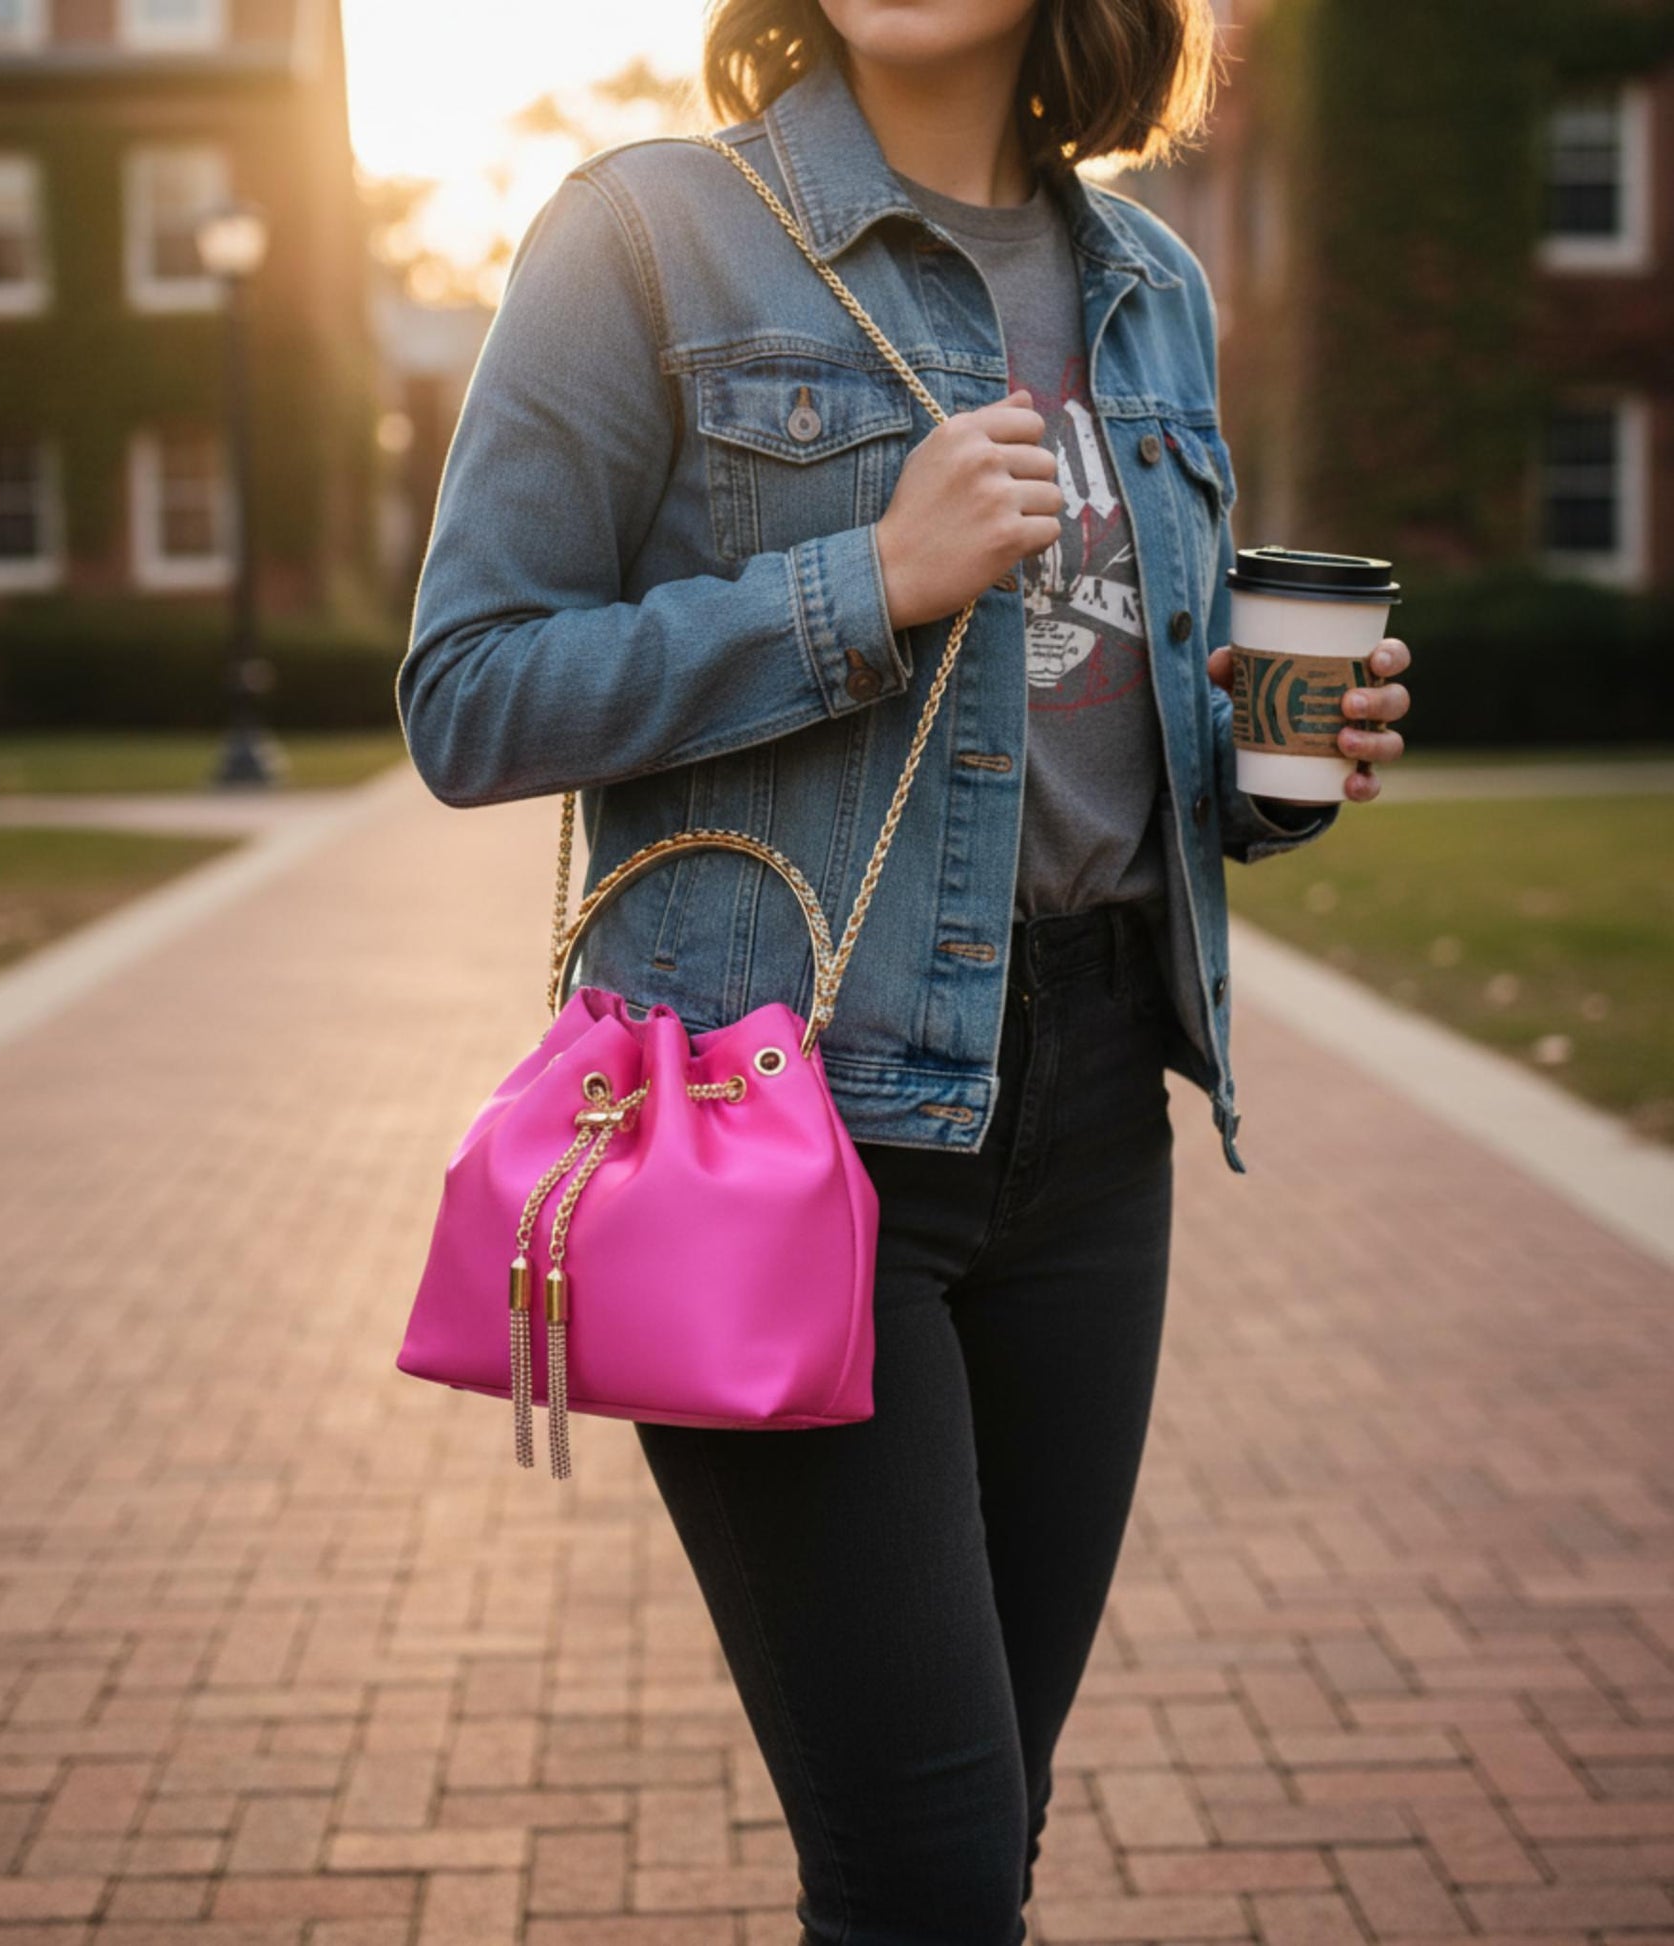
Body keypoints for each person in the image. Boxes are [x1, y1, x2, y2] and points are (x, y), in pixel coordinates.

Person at [398, 1, 1413, 1938]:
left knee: (966, 1845)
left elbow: (1125, 760)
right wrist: (863, 581)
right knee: (933, 1877)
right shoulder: (646, 237)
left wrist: (1282, 761)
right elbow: (468, 692)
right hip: (793, 1139)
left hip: (1100, 1121)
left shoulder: (1150, 289)